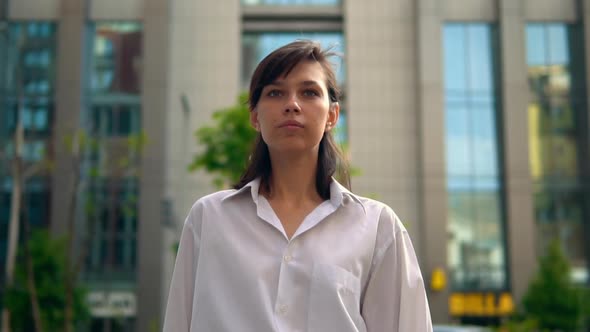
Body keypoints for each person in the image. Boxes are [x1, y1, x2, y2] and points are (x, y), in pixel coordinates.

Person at [163, 40, 433, 332]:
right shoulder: (209, 218)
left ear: (332, 115)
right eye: (275, 93)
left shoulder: (377, 227)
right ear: (255, 116)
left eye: (309, 92)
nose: (292, 105)